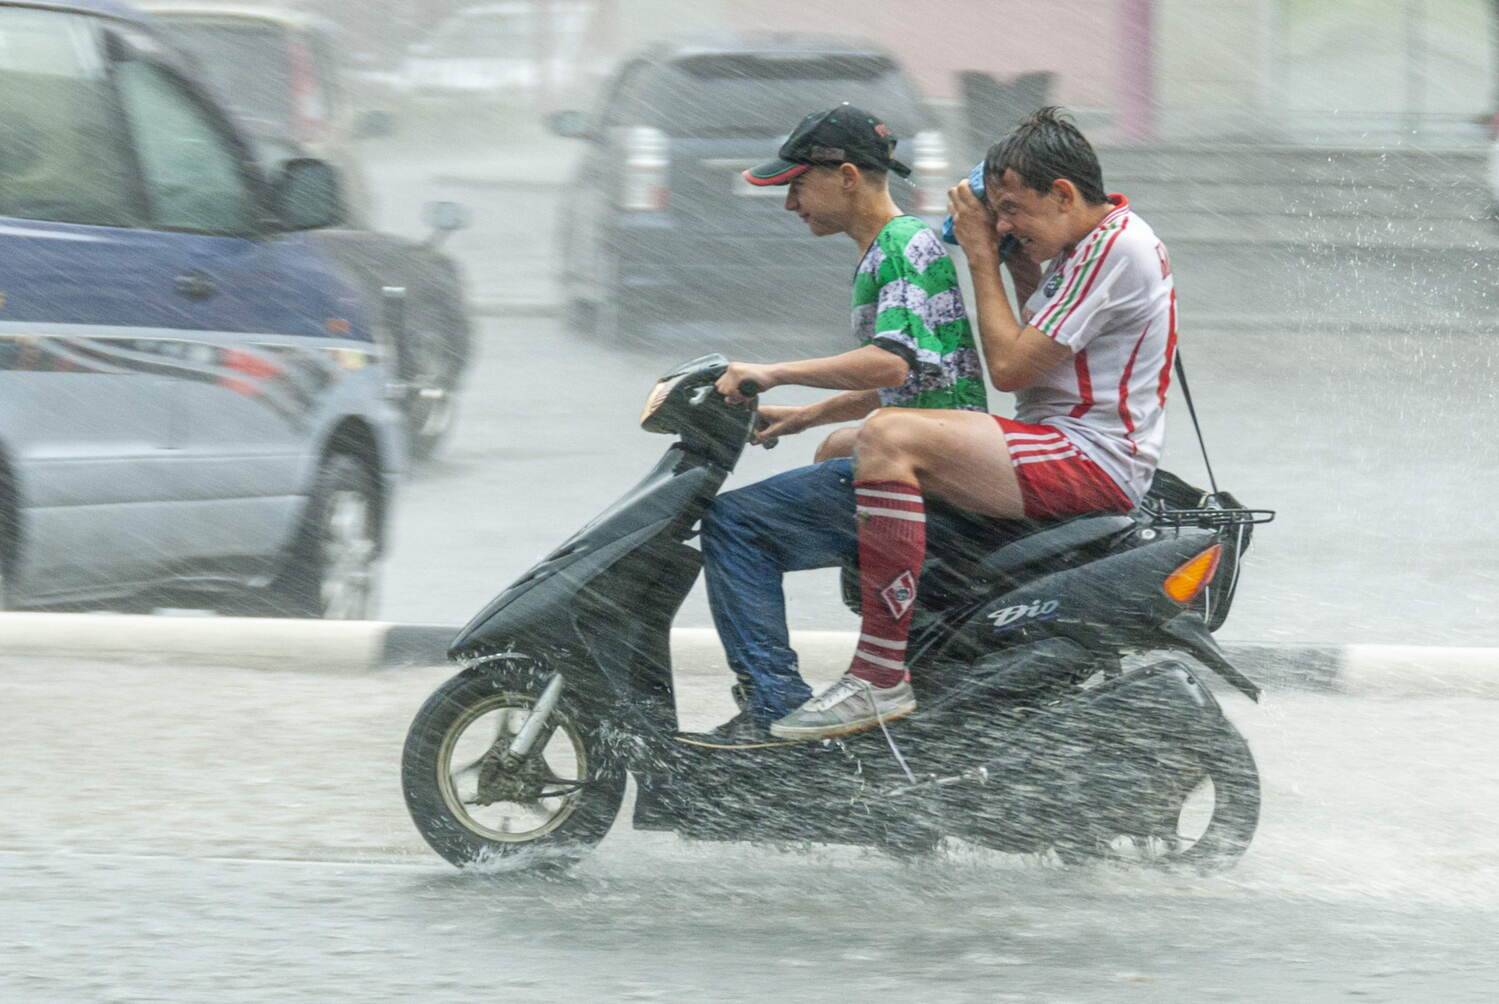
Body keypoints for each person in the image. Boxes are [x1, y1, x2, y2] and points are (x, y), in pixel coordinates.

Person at [770, 107, 1180, 741]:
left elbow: (1011, 367)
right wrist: (1017, 263)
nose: (1006, 223)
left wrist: (985, 257)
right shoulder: (1082, 245)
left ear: (1063, 194)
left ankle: (878, 673)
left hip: (1091, 455)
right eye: (1000, 212)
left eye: (1014, 209)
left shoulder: (1115, 249)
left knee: (887, 435)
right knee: (840, 449)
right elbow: (1041, 339)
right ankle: (933, 638)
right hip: (1060, 440)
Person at [681, 104, 987, 747]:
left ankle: (774, 705)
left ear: (847, 177)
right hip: (933, 456)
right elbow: (914, 375)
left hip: (934, 470)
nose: (790, 203)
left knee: (735, 524)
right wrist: (804, 417)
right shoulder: (892, 248)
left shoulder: (902, 246)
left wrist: (772, 372)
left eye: (797, 184)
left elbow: (892, 360)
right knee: (828, 450)